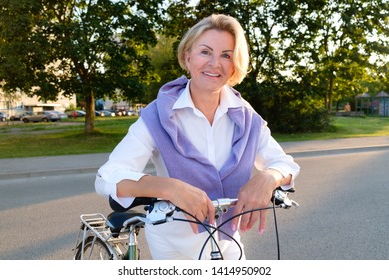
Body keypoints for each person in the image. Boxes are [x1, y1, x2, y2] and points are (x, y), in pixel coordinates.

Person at [95, 14, 300, 260]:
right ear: (187, 57)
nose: (215, 63)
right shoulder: (157, 114)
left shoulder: (247, 116)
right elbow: (107, 176)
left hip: (227, 240)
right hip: (172, 244)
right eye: (205, 52)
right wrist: (170, 188)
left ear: (235, 65)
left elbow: (285, 164)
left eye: (226, 55)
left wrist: (268, 177)